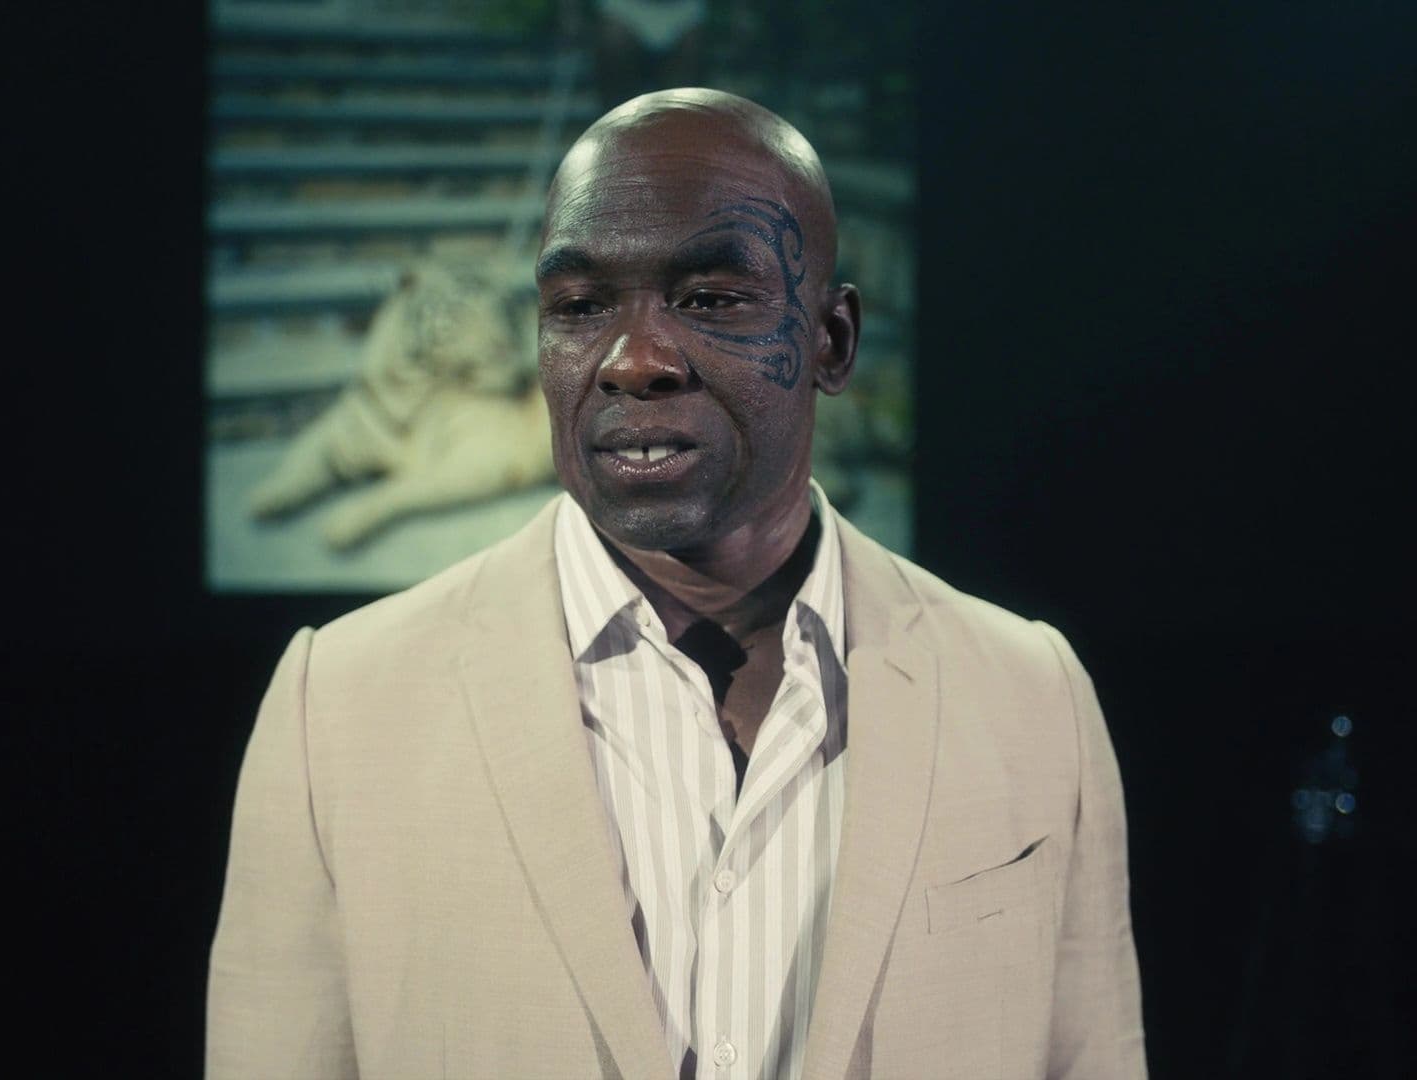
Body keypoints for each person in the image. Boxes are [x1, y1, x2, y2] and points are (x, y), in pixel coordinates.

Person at [207, 88, 1146, 1080]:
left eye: (710, 299)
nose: (632, 362)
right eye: (581, 307)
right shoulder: (337, 708)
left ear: (831, 343)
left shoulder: (1028, 695)